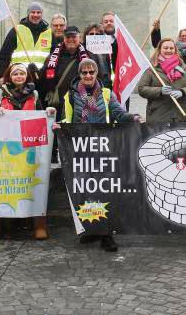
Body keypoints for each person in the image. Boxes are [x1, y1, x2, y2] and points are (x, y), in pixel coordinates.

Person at [53, 59, 140, 252]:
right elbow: (68, 117)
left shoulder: (107, 94)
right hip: (81, 146)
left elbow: (118, 114)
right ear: (79, 74)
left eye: (91, 72)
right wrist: (60, 125)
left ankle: (106, 234)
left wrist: (132, 117)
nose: (88, 76)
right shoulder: (70, 95)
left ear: (96, 73)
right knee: (87, 189)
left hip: (103, 146)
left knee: (104, 190)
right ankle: (92, 229)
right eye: (84, 73)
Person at [0, 63, 56, 242]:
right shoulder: (0, 93)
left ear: (27, 76)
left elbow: (40, 113)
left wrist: (48, 112)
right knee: (1, 186)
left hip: (28, 147)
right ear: (10, 75)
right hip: (5, 148)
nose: (19, 76)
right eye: (15, 73)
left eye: (22, 73)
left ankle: (39, 225)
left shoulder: (34, 94)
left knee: (34, 184)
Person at [137, 38, 186, 122]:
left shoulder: (183, 66)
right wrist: (159, 90)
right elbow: (141, 88)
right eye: (165, 48)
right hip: (159, 116)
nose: (169, 50)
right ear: (159, 50)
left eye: (171, 48)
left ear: (175, 50)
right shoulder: (152, 68)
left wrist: (183, 92)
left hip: (181, 115)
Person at [0, 2, 52, 78]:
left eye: (38, 12)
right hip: (20, 78)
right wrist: (2, 76)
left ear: (41, 15)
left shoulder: (49, 33)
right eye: (33, 12)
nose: (35, 15)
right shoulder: (16, 30)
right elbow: (4, 55)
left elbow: (54, 58)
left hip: (42, 78)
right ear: (28, 14)